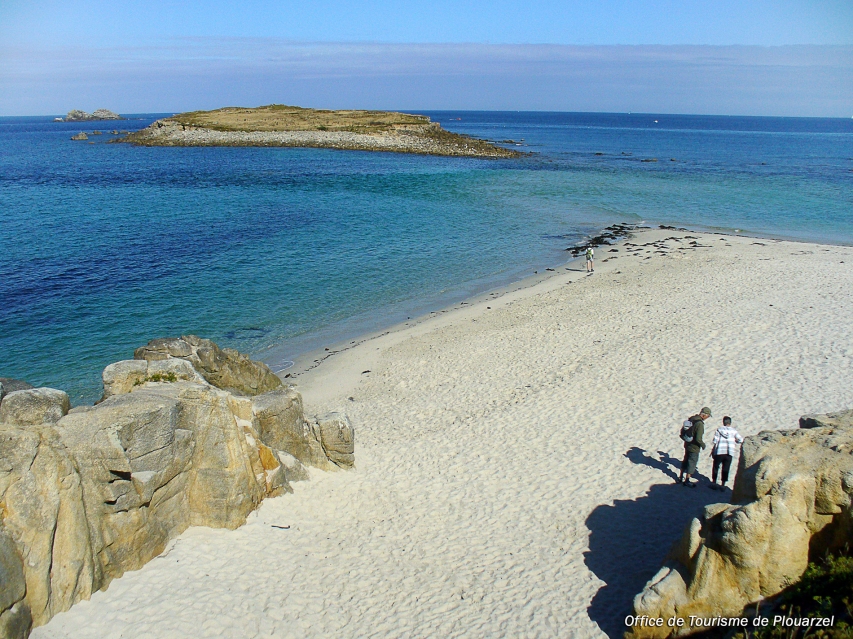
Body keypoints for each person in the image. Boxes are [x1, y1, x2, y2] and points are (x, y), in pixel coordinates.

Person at [678, 406, 711, 487]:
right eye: (708, 416)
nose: (708, 417)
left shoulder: (692, 418)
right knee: (692, 462)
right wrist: (703, 445)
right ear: (704, 415)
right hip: (694, 446)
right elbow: (698, 438)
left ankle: (680, 477)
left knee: (685, 460)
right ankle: (687, 480)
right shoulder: (700, 424)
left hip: (687, 443)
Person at [709, 416, 744, 491]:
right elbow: (740, 440)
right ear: (730, 423)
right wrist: (735, 441)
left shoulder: (719, 430)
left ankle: (714, 482)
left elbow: (715, 441)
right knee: (726, 468)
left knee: (716, 467)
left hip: (719, 451)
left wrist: (713, 450)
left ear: (723, 422)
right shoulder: (734, 431)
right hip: (729, 452)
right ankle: (723, 485)